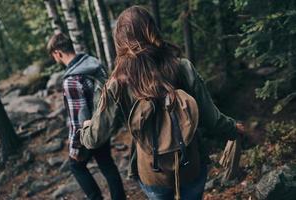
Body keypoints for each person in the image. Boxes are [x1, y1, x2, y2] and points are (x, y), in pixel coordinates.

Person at [78, 6, 246, 200]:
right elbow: (211, 119)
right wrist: (233, 128)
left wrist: (85, 129)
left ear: (120, 40)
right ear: (152, 30)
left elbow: (95, 138)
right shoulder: (182, 67)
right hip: (190, 164)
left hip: (152, 172)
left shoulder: (117, 84)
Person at [46, 33, 126, 200]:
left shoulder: (72, 80)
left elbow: (78, 120)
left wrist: (74, 148)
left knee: (76, 166)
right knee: (107, 164)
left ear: (58, 53)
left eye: (54, 56)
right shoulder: (93, 63)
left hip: (89, 130)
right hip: (103, 124)